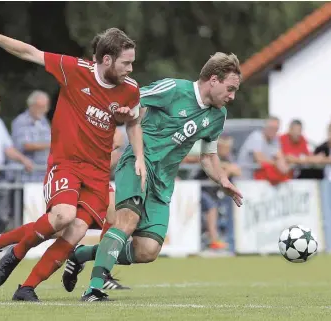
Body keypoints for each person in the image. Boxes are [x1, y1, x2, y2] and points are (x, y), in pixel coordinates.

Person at [0, 16, 145, 302]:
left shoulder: (130, 89)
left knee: (75, 230)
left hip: (98, 174)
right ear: (107, 60)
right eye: (126, 63)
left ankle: (24, 287)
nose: (131, 68)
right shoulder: (74, 69)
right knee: (63, 216)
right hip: (67, 163)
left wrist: (138, 155)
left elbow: (134, 123)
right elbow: (30, 52)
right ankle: (15, 251)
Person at [62, 52, 244, 302]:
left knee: (147, 250)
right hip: (138, 164)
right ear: (213, 79)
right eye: (230, 88)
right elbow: (131, 98)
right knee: (126, 223)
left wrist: (223, 180)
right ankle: (94, 288)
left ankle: (81, 254)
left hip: (163, 183)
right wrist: (116, 120)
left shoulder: (217, 116)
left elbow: (208, 156)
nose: (232, 96)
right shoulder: (174, 89)